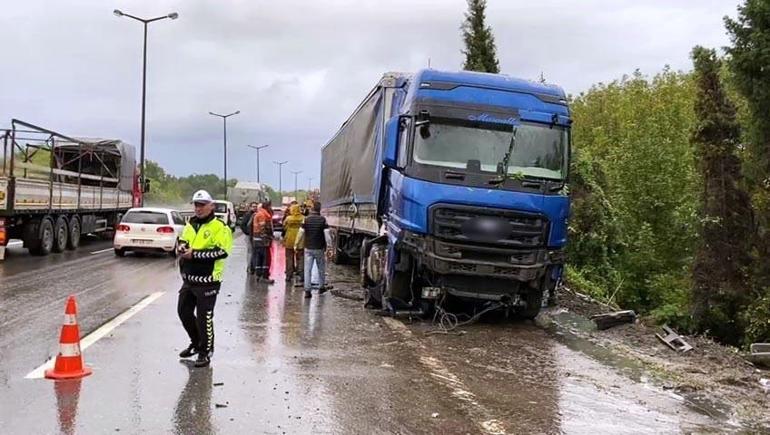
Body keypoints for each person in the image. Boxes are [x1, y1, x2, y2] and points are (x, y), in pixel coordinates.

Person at [177, 190, 233, 367]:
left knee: (204, 317)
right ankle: (196, 342)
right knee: (183, 312)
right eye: (196, 205)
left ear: (211, 206)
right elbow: (182, 241)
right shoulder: (190, 224)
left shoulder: (220, 227)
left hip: (208, 280)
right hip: (189, 278)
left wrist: (194, 254)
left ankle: (205, 351)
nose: (198, 208)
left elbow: (222, 252)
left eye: (202, 205)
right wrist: (181, 248)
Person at [294, 201, 331, 298]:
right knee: (321, 268)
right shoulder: (323, 220)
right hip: (319, 248)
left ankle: (307, 291)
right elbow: (327, 235)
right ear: (319, 210)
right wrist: (330, 246)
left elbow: (300, 233)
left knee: (308, 269)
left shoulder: (306, 220)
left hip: (308, 248)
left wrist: (296, 244)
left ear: (312, 209)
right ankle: (321, 287)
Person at [251, 203, 274, 283]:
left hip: (257, 240)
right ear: (267, 207)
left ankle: (258, 275)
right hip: (262, 241)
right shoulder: (263, 215)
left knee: (259, 258)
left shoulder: (258, 214)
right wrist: (267, 238)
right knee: (266, 259)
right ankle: (264, 276)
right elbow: (263, 228)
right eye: (270, 206)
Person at [283, 204, 305, 286]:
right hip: (300, 241)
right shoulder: (303, 218)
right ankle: (301, 274)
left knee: (289, 258)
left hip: (289, 240)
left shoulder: (288, 218)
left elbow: (284, 227)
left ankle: (289, 275)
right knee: (300, 258)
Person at [240, 202, 259, 273]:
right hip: (249, 236)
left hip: (255, 236)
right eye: (253, 206)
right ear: (250, 207)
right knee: (250, 252)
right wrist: (248, 233)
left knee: (255, 252)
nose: (255, 208)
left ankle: (253, 266)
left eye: (256, 206)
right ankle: (249, 267)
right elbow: (242, 225)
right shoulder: (248, 215)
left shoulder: (257, 214)